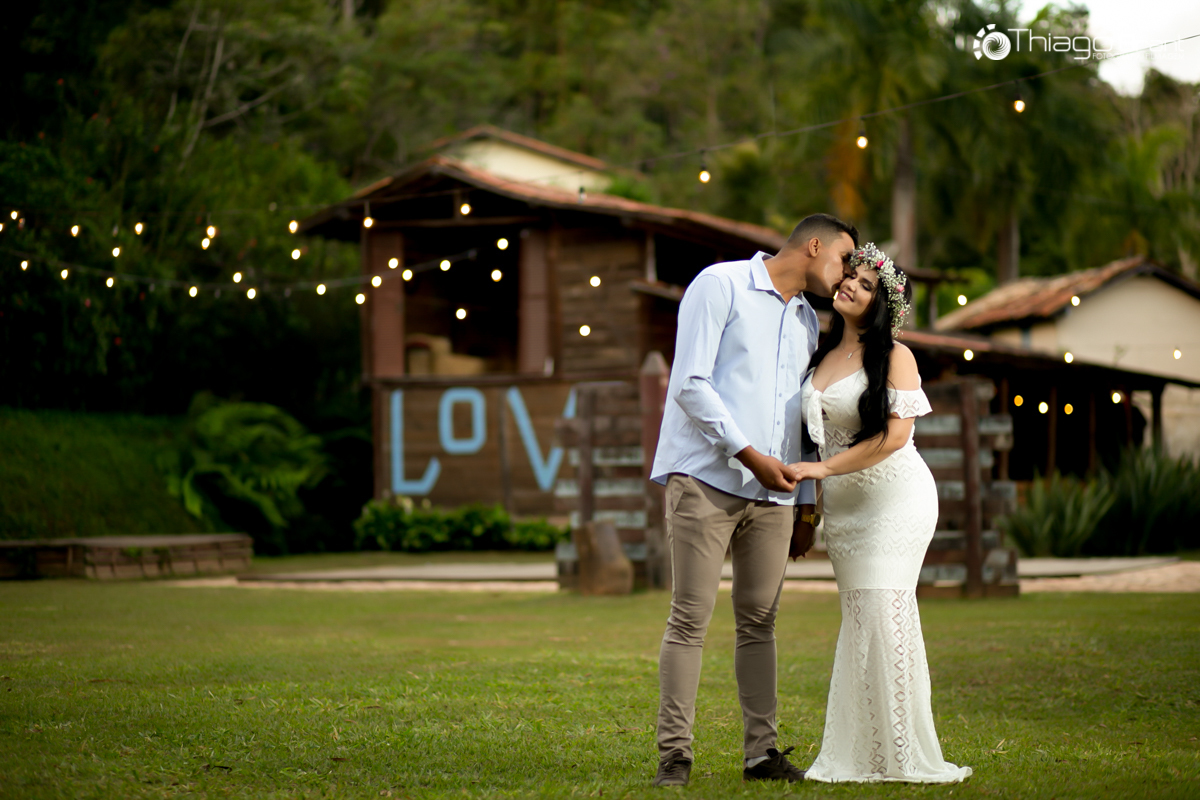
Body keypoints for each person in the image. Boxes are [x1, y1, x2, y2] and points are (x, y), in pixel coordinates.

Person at [648, 213, 858, 787]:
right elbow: (690, 384)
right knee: (689, 619)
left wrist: (808, 504)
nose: (846, 275)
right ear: (813, 246)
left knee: (761, 623)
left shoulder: (807, 321)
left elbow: (801, 420)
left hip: (777, 497)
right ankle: (675, 757)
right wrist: (749, 456)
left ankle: (761, 755)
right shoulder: (720, 284)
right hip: (705, 479)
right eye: (843, 259)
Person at [790, 243, 973, 784]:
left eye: (866, 284)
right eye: (850, 276)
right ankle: (864, 754)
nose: (850, 284)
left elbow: (895, 438)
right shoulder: (820, 355)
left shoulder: (896, 356)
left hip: (896, 500)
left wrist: (823, 471)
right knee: (862, 621)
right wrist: (811, 507)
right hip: (844, 511)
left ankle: (902, 754)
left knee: (885, 616)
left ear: (882, 303)